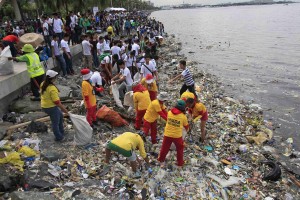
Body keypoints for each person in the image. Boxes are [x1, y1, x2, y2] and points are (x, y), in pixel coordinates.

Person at [158, 100, 189, 168]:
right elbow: (186, 127)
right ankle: (180, 163)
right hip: (177, 136)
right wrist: (186, 132)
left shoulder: (169, 113)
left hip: (167, 134)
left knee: (164, 148)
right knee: (180, 149)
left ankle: (161, 159)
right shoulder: (183, 117)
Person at [40, 70, 68, 141]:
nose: (56, 79)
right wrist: (65, 110)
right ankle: (59, 137)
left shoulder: (43, 83)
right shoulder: (52, 89)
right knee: (55, 122)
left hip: (45, 105)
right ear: (52, 78)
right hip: (50, 107)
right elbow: (57, 102)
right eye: (55, 77)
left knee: (60, 116)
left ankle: (61, 132)